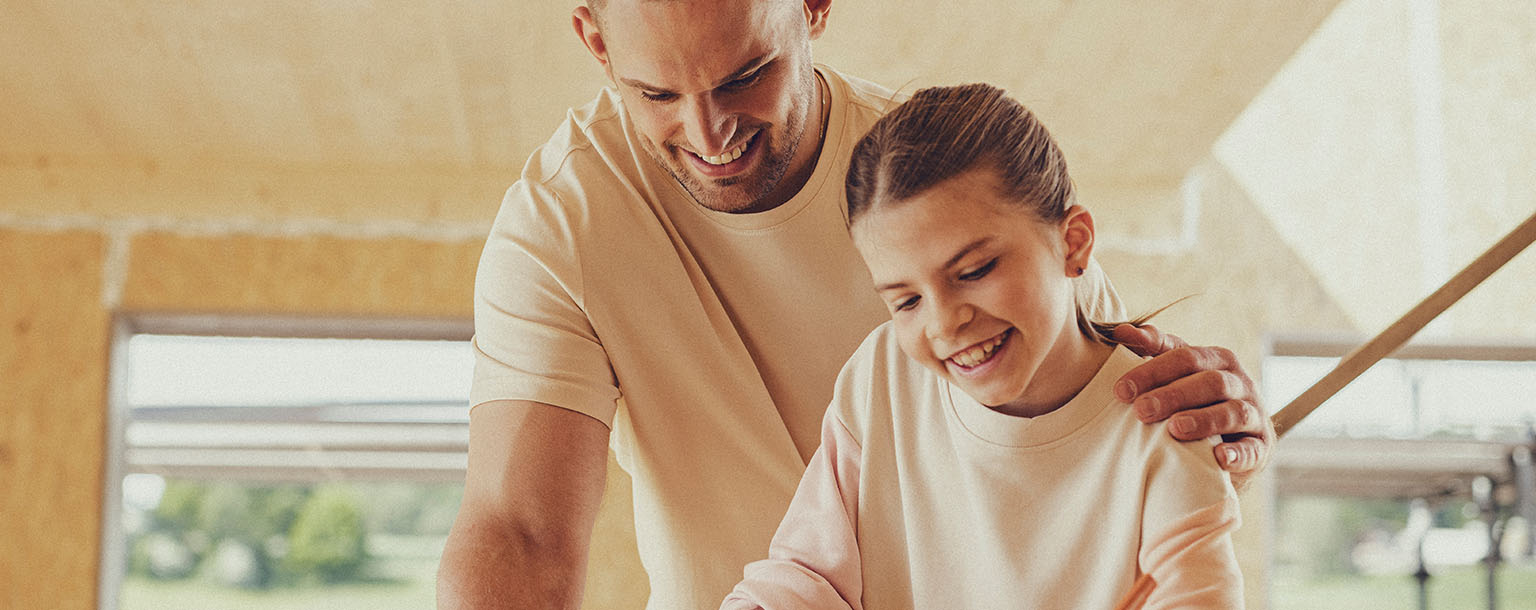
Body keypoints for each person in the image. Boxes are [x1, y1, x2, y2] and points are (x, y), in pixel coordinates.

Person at [438, 2, 1272, 608]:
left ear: (812, 7)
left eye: (746, 75)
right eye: (656, 94)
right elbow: (520, 536)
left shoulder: (932, 181)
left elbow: (1091, 419)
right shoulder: (563, 220)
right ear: (594, 39)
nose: (709, 132)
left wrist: (1216, 426)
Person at [721, 83, 1243, 610]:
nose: (945, 323)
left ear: (1073, 243)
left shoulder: (1166, 428)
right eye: (906, 302)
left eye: (974, 270)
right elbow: (802, 579)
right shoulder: (883, 377)